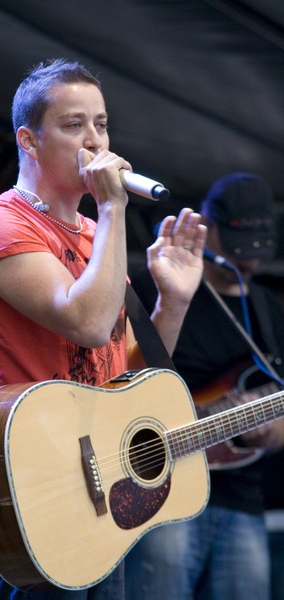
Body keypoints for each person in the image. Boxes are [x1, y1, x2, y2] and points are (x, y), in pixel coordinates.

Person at [0, 58, 206, 599]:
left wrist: (173, 301)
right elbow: (88, 324)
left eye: (102, 123)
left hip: (100, 480)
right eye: (74, 125)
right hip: (38, 482)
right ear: (29, 140)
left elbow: (131, 373)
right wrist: (114, 206)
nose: (95, 140)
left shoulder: (97, 234)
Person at [125, 172, 284, 600]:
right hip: (161, 493)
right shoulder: (152, 287)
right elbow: (119, 381)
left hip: (241, 498)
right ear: (207, 226)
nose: (247, 263)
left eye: (255, 252)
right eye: (237, 250)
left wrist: (271, 432)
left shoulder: (268, 309)